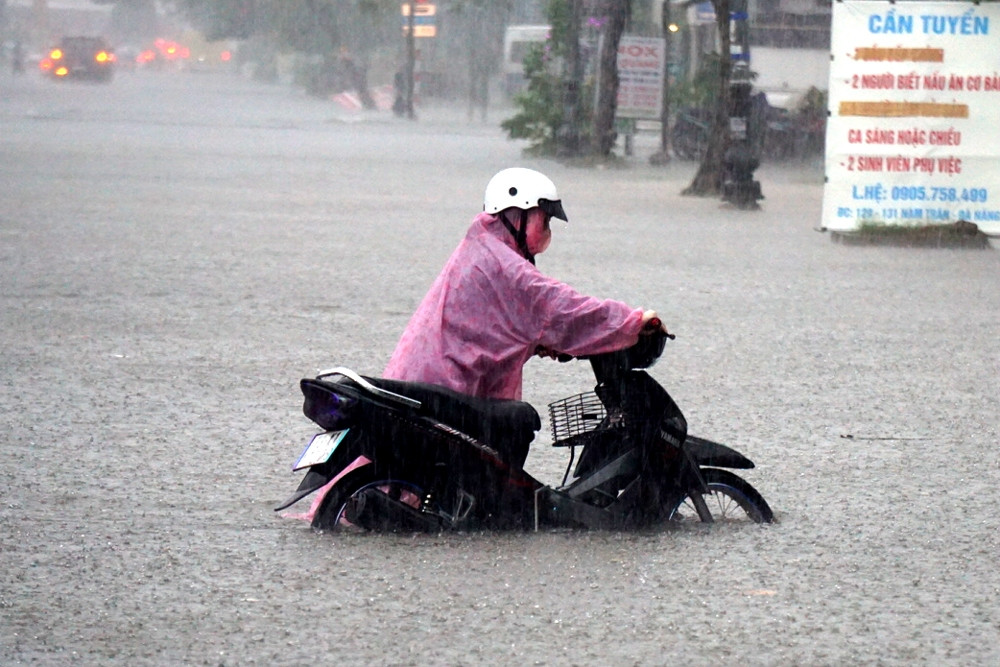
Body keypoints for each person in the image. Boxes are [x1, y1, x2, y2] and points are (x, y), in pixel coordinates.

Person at [383, 167, 666, 402]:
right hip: (442, 388)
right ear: (518, 215)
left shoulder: (484, 246)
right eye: (543, 220)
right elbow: (558, 307)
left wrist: (536, 343)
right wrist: (634, 321)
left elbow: (492, 328)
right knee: (519, 424)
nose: (547, 231)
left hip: (430, 382)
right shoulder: (501, 263)